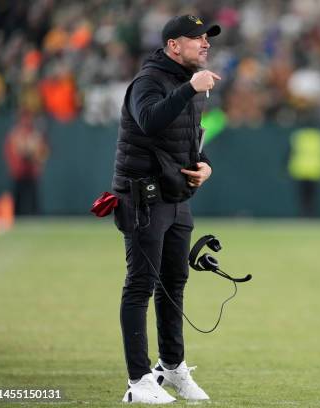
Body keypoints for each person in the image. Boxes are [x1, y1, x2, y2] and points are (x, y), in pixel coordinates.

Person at [111, 15, 221, 404]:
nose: (205, 44)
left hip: (176, 197)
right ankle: (138, 380)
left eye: (207, 38)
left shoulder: (182, 83)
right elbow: (149, 119)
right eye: (196, 39)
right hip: (143, 196)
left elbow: (189, 138)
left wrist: (204, 164)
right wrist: (191, 88)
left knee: (174, 285)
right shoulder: (149, 81)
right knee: (140, 285)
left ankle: (171, 368)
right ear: (174, 45)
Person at [3, 112, 50, 215]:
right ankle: (16, 215)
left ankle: (34, 215)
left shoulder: (34, 132)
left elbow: (41, 151)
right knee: (18, 196)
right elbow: (16, 149)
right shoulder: (17, 132)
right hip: (19, 170)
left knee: (32, 197)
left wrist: (35, 155)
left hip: (31, 171)